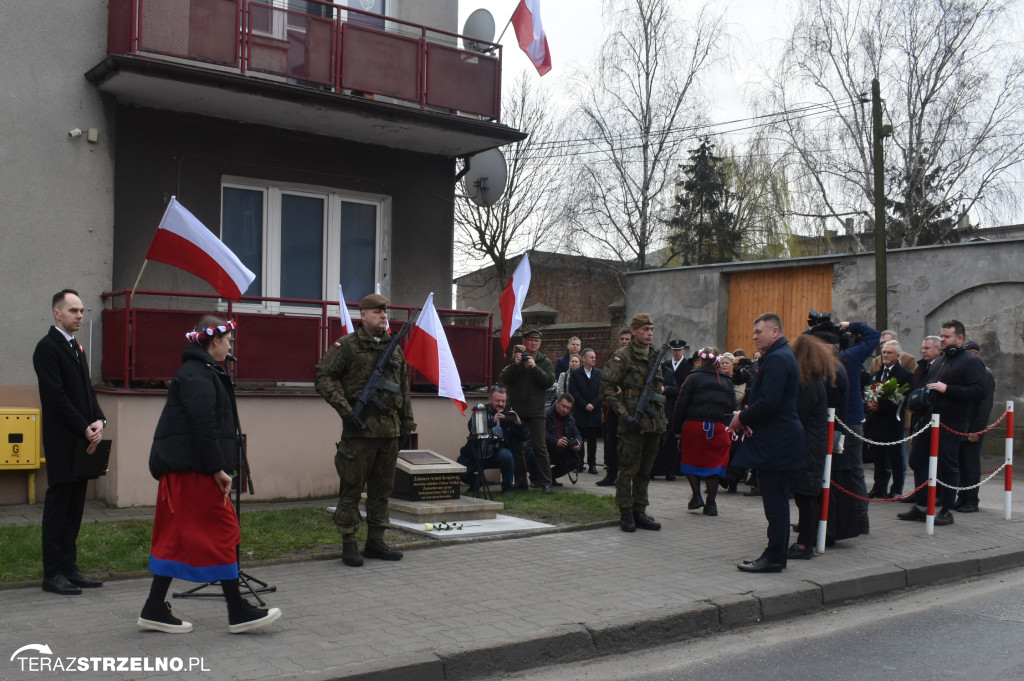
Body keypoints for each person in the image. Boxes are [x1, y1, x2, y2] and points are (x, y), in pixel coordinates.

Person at [140, 316, 282, 634]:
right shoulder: (197, 376)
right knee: (224, 533)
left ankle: (153, 608)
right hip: (193, 472)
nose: (231, 345)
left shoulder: (200, 372)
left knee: (177, 538)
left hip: (188, 471)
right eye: (228, 339)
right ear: (213, 341)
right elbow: (203, 427)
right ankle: (237, 611)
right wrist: (218, 469)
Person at [314, 294, 416, 567]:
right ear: (363, 315)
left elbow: (403, 387)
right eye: (377, 312)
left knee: (382, 490)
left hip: (389, 433)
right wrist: (345, 410)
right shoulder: (347, 346)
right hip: (358, 434)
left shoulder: (394, 348)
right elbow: (322, 377)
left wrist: (407, 423)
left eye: (385, 311)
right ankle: (349, 543)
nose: (383, 316)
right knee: (351, 490)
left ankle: (376, 541)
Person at [33, 289, 107, 596]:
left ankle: (70, 568)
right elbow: (55, 396)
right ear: (57, 313)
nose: (79, 315)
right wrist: (82, 427)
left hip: (83, 441)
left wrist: (100, 421)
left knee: (76, 505)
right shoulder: (47, 348)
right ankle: (52, 574)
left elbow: (86, 393)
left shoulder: (76, 347)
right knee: (59, 505)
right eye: (73, 310)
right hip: (63, 440)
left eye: (81, 310)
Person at [729, 313, 805, 572]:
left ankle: (774, 556)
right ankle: (775, 554)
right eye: (754, 332)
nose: (754, 336)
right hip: (778, 437)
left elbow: (769, 402)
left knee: (775, 501)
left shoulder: (778, 359)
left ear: (775, 332)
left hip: (777, 440)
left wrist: (742, 417)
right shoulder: (779, 356)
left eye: (759, 332)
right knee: (776, 499)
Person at [899, 320, 986, 525]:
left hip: (952, 421)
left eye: (947, 337)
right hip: (928, 419)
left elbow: (979, 392)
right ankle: (922, 506)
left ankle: (947, 509)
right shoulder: (939, 361)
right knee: (918, 460)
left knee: (948, 465)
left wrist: (947, 389)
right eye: (942, 335)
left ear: (960, 338)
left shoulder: (971, 362)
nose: (943, 340)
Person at [600, 314, 666, 533]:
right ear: (634, 331)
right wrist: (623, 414)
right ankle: (626, 512)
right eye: (645, 329)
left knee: (645, 471)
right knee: (628, 470)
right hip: (632, 421)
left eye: (652, 329)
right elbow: (607, 387)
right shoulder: (622, 356)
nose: (649, 333)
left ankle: (640, 510)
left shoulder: (656, 354)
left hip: (653, 422)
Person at [785, 335, 835, 560]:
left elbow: (798, 414)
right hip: (812, 442)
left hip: (807, 444)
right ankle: (807, 539)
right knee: (807, 495)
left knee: (806, 495)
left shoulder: (807, 383)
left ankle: (805, 544)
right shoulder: (816, 380)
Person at [671, 347, 736, 517]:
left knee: (690, 460)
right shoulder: (727, 380)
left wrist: (677, 428)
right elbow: (732, 406)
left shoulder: (692, 378)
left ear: (701, 360)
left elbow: (681, 403)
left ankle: (697, 496)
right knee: (714, 465)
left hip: (694, 425)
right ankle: (712, 504)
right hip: (719, 428)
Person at [499, 329, 556, 493]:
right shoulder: (515, 360)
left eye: (536, 341)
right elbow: (504, 379)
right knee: (517, 448)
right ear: (525, 342)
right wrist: (515, 365)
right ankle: (521, 482)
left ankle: (546, 482)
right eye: (530, 340)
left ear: (540, 344)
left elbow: (548, 381)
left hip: (536, 411)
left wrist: (534, 367)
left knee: (540, 447)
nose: (533, 343)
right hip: (517, 410)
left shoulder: (543, 361)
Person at [864, 340, 914, 498]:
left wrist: (882, 405)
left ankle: (896, 489)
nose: (885, 355)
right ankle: (879, 488)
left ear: (897, 355)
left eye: (889, 353)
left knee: (896, 458)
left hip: (893, 422)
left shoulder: (905, 375)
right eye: (884, 352)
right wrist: (870, 404)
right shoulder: (876, 374)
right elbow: (868, 392)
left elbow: (904, 398)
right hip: (877, 422)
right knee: (878, 458)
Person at [457, 387, 524, 495]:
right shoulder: (480, 410)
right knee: (460, 472)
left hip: (496, 454)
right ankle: (478, 482)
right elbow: (472, 426)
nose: (501, 404)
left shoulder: (507, 415)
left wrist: (518, 424)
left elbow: (522, 437)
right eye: (498, 401)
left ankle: (507, 488)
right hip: (476, 454)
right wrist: (492, 421)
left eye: (503, 401)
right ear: (490, 399)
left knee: (508, 457)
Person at [900, 336, 942, 505]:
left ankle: (934, 495)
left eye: (928, 348)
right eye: (923, 348)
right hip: (919, 417)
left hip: (934, 419)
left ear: (938, 350)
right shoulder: (921, 367)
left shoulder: (940, 368)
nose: (923, 351)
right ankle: (920, 492)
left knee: (932, 459)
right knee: (917, 459)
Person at [955, 340, 995, 512]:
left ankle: (971, 500)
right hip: (961, 424)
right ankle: (962, 496)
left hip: (973, 426)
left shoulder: (985, 374)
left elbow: (984, 407)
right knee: (961, 463)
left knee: (971, 464)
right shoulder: (968, 373)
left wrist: (976, 430)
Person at [596, 328, 633, 487]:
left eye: (628, 339)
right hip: (613, 407)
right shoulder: (615, 356)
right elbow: (606, 379)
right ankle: (611, 475)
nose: (624, 342)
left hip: (630, 407)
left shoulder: (636, 357)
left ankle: (625, 477)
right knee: (611, 442)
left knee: (627, 444)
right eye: (622, 339)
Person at [568, 348, 602, 475]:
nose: (594, 359)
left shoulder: (599, 373)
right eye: (591, 357)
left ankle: (592, 464)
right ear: (584, 359)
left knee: (593, 441)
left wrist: (593, 404)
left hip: (594, 411)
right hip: (581, 412)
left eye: (595, 357)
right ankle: (579, 463)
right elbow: (573, 392)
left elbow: (601, 392)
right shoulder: (576, 374)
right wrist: (584, 404)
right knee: (579, 439)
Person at [539, 394, 584, 485]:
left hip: (560, 451)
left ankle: (550, 477)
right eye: (563, 406)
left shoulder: (570, 419)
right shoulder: (546, 414)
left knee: (574, 460)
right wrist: (556, 441)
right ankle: (537, 478)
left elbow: (577, 434)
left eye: (568, 408)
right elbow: (541, 433)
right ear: (557, 403)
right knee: (534, 454)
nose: (565, 410)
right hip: (545, 449)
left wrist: (578, 443)